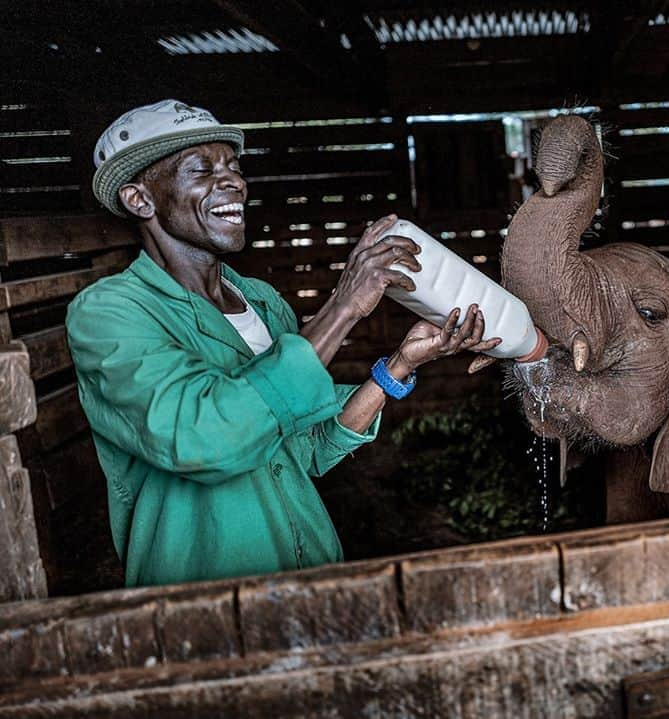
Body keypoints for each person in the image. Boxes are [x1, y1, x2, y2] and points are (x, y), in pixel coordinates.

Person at [66, 99, 501, 587]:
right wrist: (342, 306)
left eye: (233, 166)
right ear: (139, 199)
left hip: (310, 575)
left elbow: (310, 446)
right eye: (201, 169)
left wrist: (398, 366)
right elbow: (204, 438)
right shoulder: (110, 314)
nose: (232, 180)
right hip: (200, 604)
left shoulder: (262, 302)